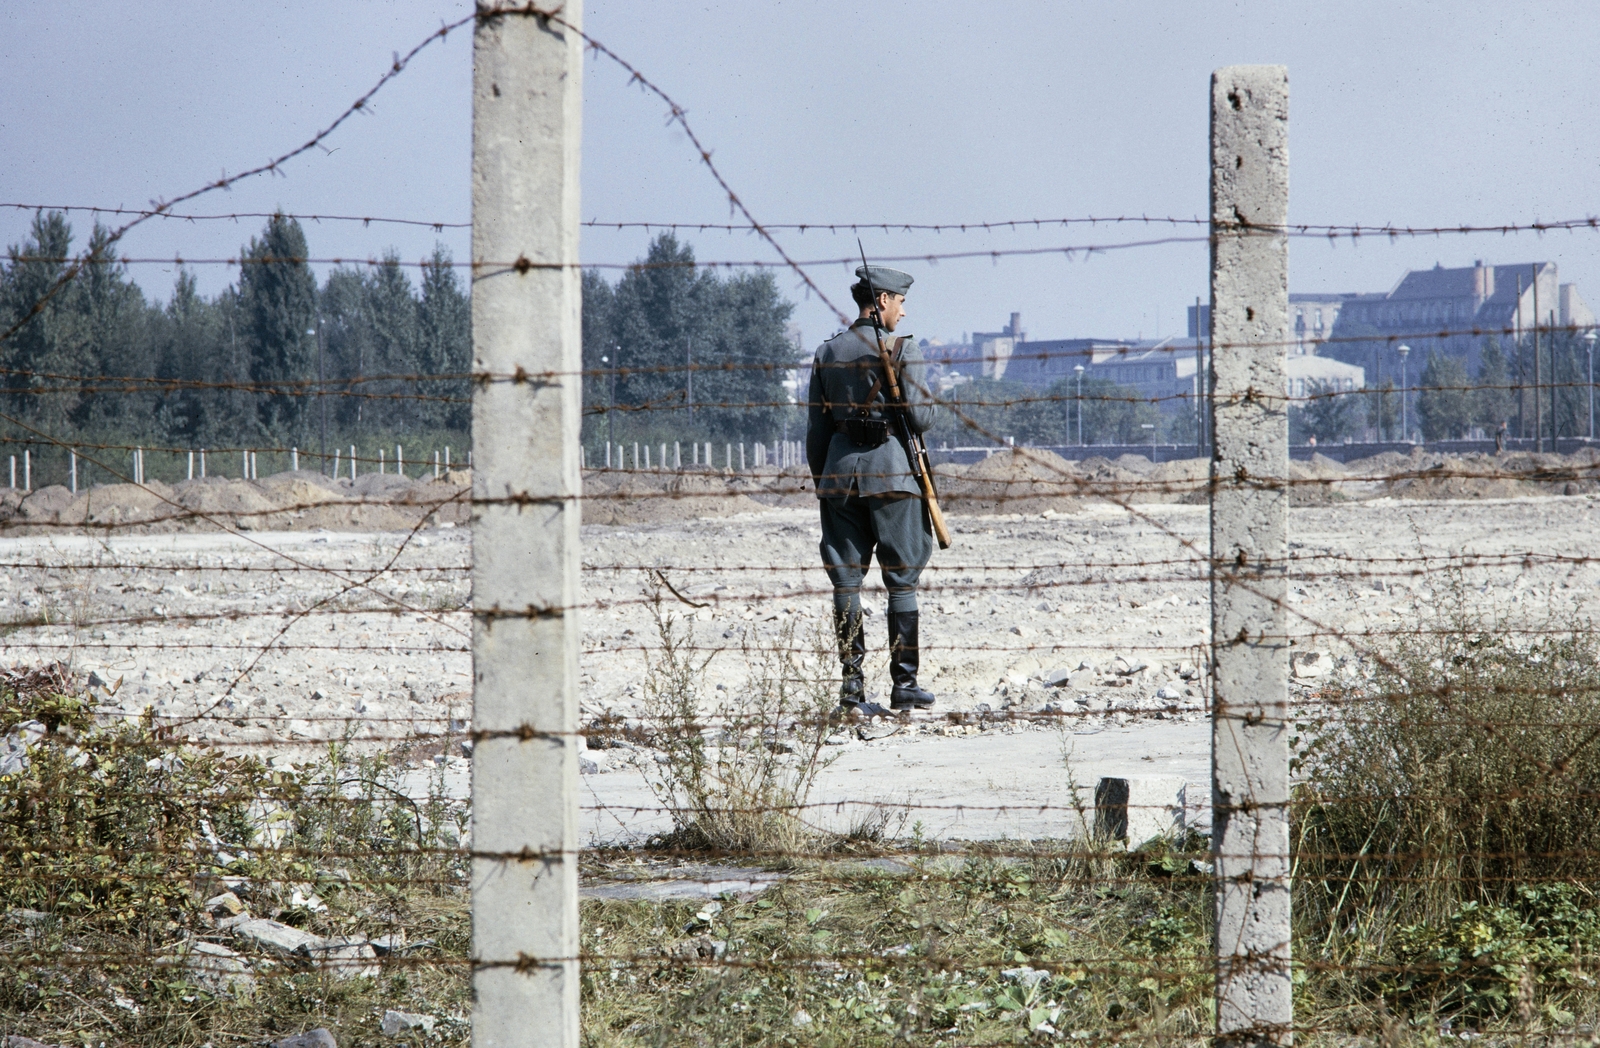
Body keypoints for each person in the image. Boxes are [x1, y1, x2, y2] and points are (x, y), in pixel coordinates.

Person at [806, 265, 937, 717]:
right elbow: (922, 419)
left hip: (839, 478)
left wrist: (827, 480)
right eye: (899, 301)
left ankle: (851, 688)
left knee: (845, 579)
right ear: (881, 300)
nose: (903, 310)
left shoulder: (827, 353)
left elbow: (816, 433)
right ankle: (905, 685)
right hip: (893, 478)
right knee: (901, 577)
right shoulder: (904, 349)